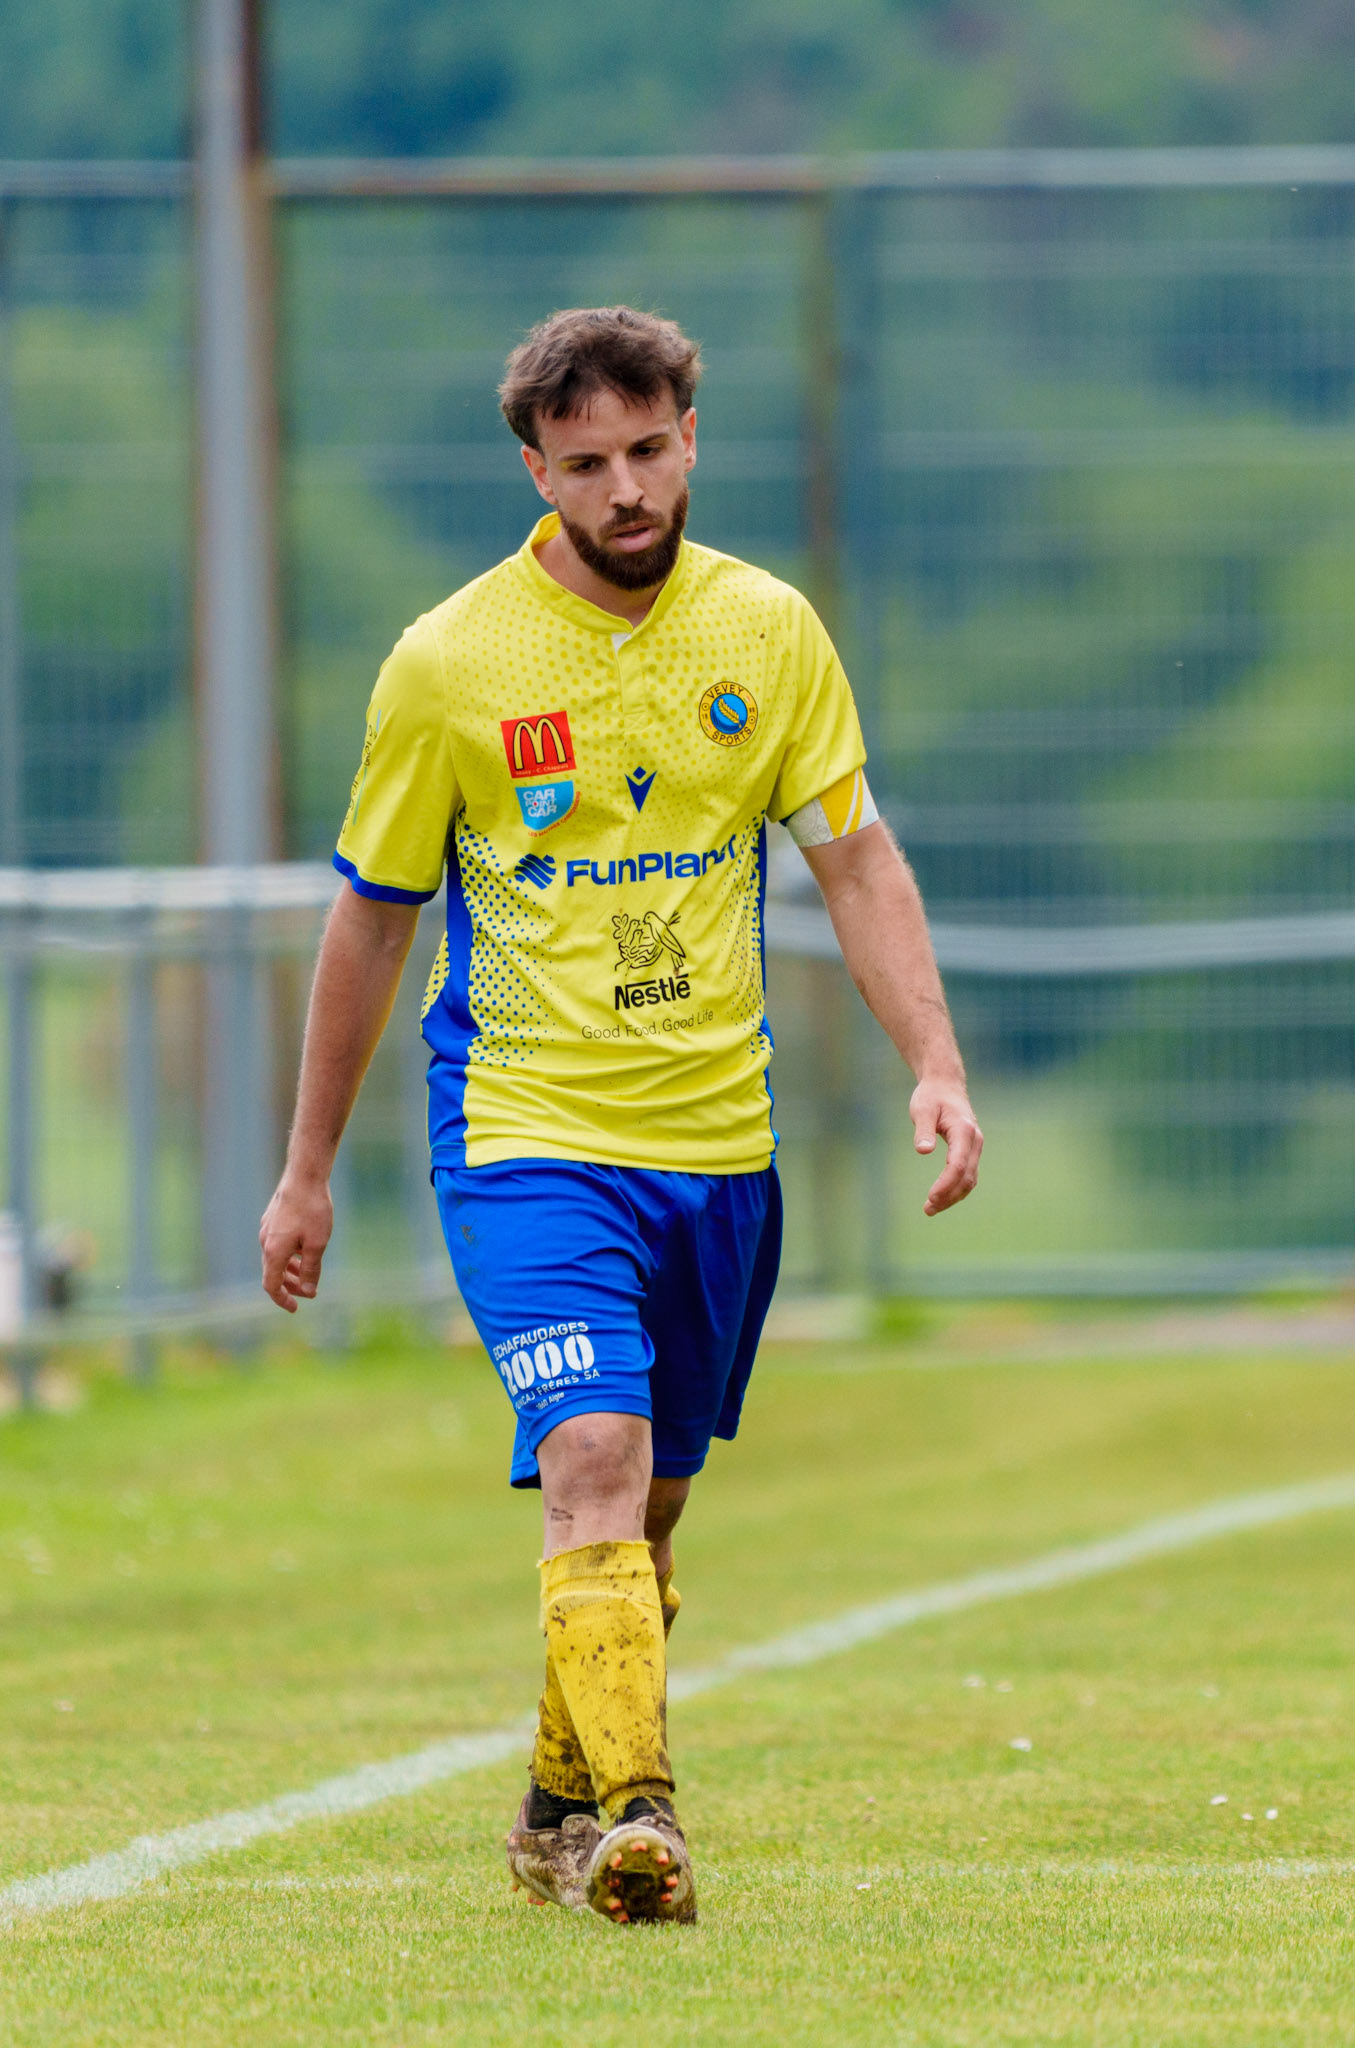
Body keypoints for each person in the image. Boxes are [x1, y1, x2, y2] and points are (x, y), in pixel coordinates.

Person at [259, 305, 982, 1926]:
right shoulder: (450, 663)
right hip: (523, 1134)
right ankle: (636, 1823)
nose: (627, 489)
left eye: (649, 452)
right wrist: (305, 1172)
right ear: (536, 470)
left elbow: (852, 859)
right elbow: (371, 915)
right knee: (591, 1450)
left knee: (644, 1513)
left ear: (690, 438)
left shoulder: (770, 632)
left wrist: (933, 1062)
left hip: (716, 1147)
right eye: (586, 465)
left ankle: (550, 1799)